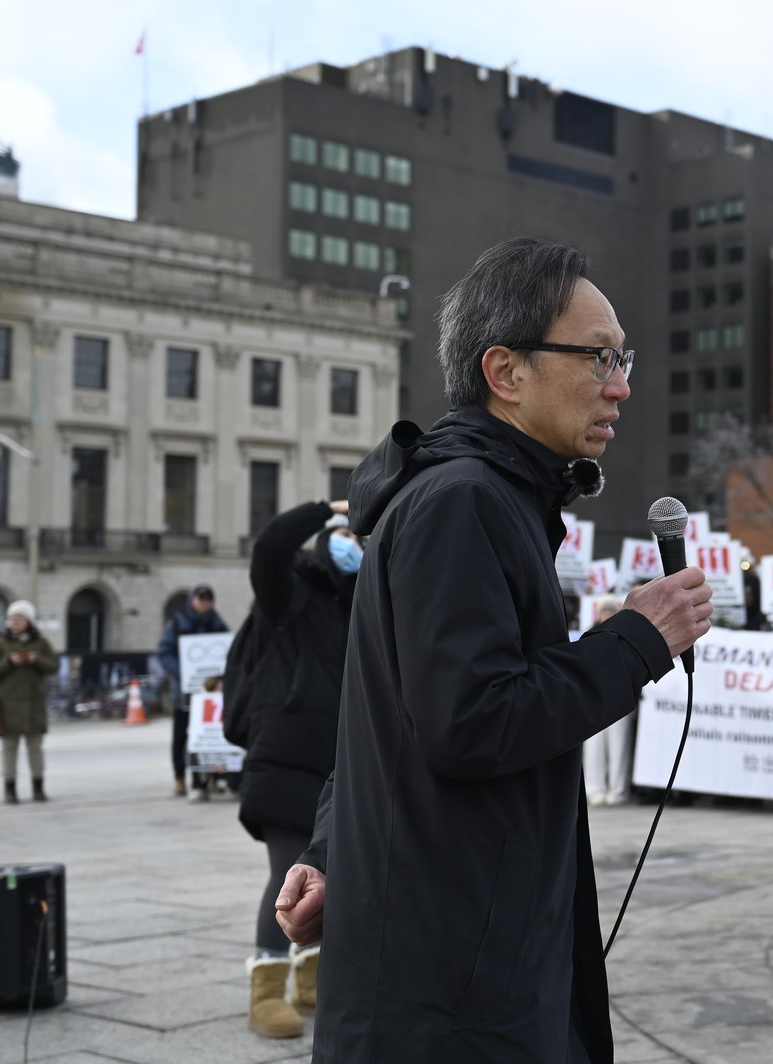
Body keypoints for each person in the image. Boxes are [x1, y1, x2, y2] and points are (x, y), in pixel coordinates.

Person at [272, 239, 713, 1063]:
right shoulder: (463, 501)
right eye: (598, 358)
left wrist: (336, 853)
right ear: (505, 372)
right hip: (454, 996)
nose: (619, 385)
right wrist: (637, 640)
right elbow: (473, 720)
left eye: (625, 359)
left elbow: (392, 722)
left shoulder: (489, 497)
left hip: (457, 959)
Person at [234, 500, 361, 1039]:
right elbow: (270, 546)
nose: (353, 544)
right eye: (345, 535)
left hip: (340, 764)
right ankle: (266, 984)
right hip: (284, 758)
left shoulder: (359, 602)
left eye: (361, 537)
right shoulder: (290, 591)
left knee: (337, 875)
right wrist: (326, 508)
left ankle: (311, 978)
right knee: (290, 870)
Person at [0, 601, 59, 803]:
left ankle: (38, 786)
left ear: (28, 621)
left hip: (34, 704)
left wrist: (35, 659)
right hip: (8, 704)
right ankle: (10, 789)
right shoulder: (1, 643)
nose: (14, 622)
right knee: (9, 748)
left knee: (36, 748)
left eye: (19, 618)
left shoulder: (40, 642)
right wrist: (8, 662)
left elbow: (54, 666)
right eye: (11, 619)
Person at [157, 584, 228, 798]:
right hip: (185, 693)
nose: (205, 602)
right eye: (201, 598)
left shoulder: (217, 623)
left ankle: (212, 778)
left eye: (208, 598)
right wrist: (183, 673)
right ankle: (181, 778)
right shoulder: (178, 623)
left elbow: (227, 650)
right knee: (182, 737)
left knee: (210, 736)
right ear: (192, 600)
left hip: (210, 695)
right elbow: (164, 653)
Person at [582, 596, 636, 806]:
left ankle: (618, 789)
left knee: (619, 745)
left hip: (620, 696)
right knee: (593, 746)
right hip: (593, 697)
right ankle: (594, 788)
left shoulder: (624, 633)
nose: (606, 614)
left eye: (609, 611)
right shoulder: (590, 634)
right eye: (603, 611)